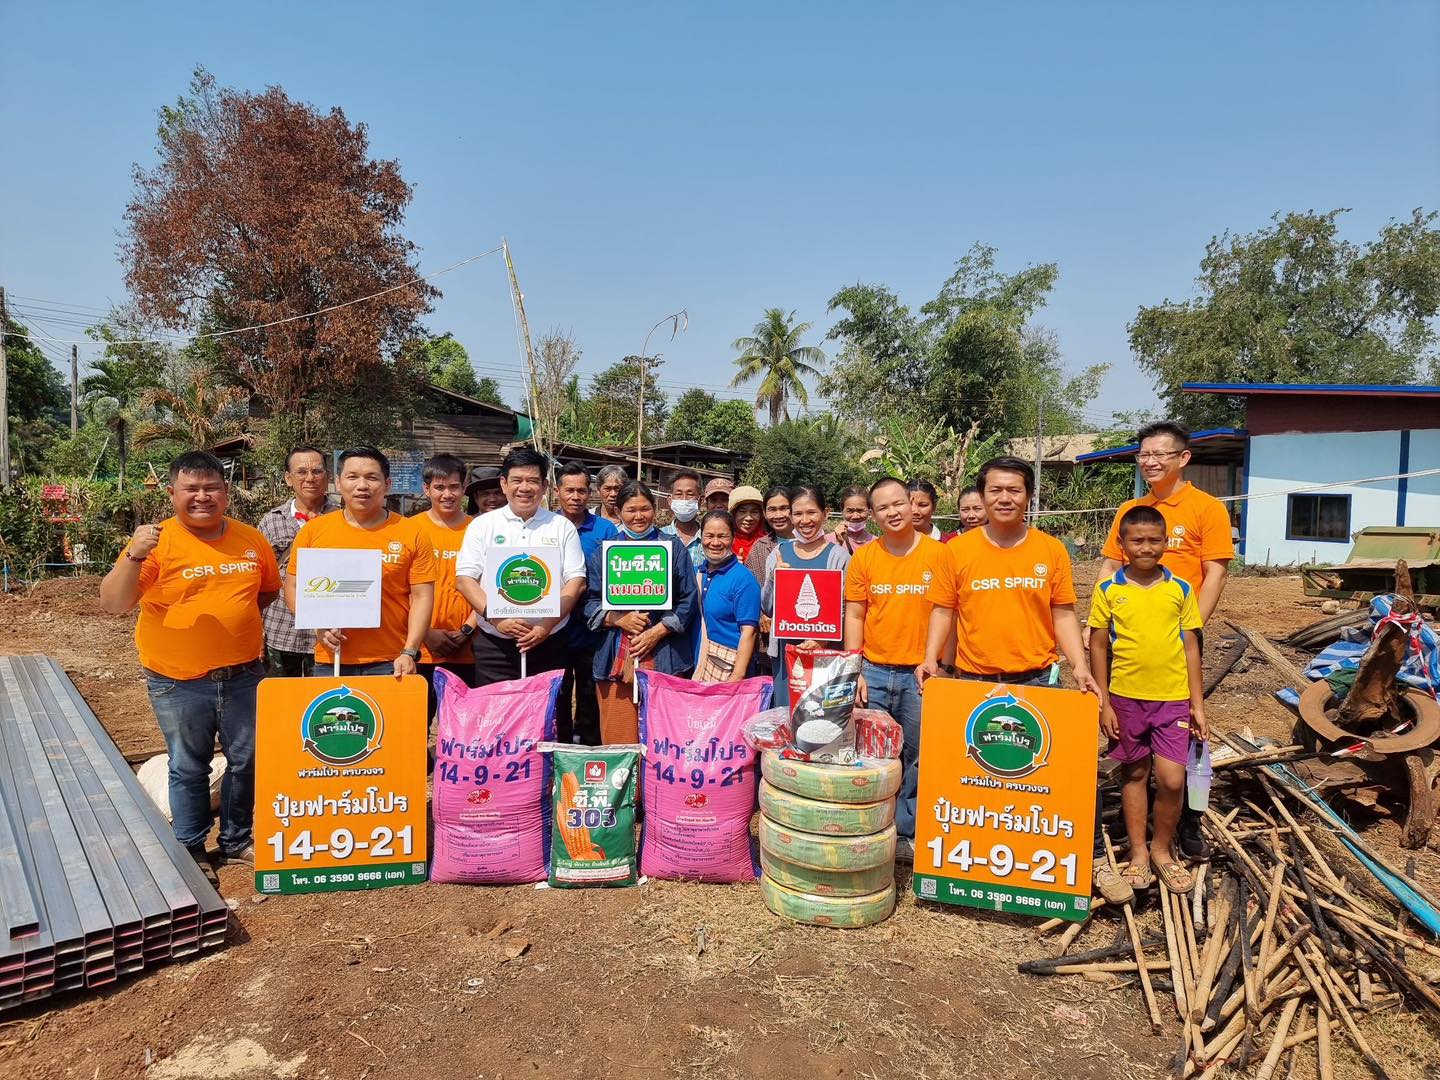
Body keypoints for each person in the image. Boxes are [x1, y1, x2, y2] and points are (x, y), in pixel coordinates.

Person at [919, 457, 1119, 900]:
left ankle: (1091, 861)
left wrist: (1080, 667)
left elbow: (1062, 613)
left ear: (1029, 496)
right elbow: (943, 611)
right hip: (974, 683)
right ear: (982, 496)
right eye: (995, 490)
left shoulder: (1050, 550)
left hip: (1038, 682)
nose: (1004, 498)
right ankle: (983, 865)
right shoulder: (957, 551)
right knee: (977, 777)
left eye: (1014, 490)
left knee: (1059, 775)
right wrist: (932, 659)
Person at [100, 450, 281, 875]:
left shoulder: (250, 539)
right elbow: (113, 603)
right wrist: (133, 555)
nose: (202, 496)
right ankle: (192, 847)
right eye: (191, 488)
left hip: (244, 675)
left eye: (211, 487)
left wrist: (232, 624)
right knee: (188, 766)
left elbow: (267, 591)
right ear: (172, 492)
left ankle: (236, 841)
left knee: (246, 761)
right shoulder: (154, 542)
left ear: (226, 492)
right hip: (177, 681)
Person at [1094, 421, 1234, 861]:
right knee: (1130, 738)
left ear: (1183, 458)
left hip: (1178, 636)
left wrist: (1189, 627)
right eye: (1144, 455)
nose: (1150, 462)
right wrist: (1094, 622)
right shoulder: (1130, 509)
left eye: (1160, 454)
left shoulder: (1206, 508)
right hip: (1128, 638)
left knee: (1187, 737)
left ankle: (1189, 820)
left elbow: (1216, 572)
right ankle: (1135, 827)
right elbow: (1108, 566)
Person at [1088, 505, 1207, 894]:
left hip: (1172, 699)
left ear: (1166, 543)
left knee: (1172, 779)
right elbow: (1098, 646)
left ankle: (1162, 850)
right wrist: (1104, 702)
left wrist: (1197, 705)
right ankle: (1139, 853)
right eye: (1137, 540)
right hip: (1125, 699)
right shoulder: (1109, 590)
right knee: (1135, 773)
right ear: (1121, 544)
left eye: (1154, 540)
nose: (1146, 548)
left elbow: (1191, 647)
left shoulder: (1180, 589)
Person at [844, 477, 956, 859]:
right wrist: (855, 668)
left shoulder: (939, 555)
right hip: (873, 671)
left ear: (911, 504)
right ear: (873, 515)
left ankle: (907, 833)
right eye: (882, 508)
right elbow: (855, 614)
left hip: (919, 674)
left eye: (898, 504)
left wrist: (939, 663)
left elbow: (946, 612)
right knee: (872, 754)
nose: (892, 512)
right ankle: (870, 826)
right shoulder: (864, 558)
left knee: (918, 755)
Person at [286, 446, 436, 678]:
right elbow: (293, 586)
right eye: (352, 477)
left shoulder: (412, 532)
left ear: (387, 484)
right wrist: (317, 626)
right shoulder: (313, 531)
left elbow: (422, 596)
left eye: (372, 477)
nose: (362, 485)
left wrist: (410, 650)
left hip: (392, 661)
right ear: (338, 482)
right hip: (331, 659)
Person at [455, 447, 588, 685]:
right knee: (496, 707)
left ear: (545, 486)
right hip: (495, 647)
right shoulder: (482, 526)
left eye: (533, 481)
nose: (524, 488)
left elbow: (576, 583)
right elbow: (465, 581)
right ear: (504, 484)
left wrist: (545, 626)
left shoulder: (561, 526)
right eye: (517, 480)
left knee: (549, 708)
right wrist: (497, 619)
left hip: (550, 643)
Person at [582, 480, 697, 742]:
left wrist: (656, 632)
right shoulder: (604, 552)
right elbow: (588, 603)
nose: (638, 516)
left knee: (664, 739)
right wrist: (617, 619)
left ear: (655, 509)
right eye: (631, 510)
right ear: (618, 511)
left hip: (666, 656)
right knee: (619, 738)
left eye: (645, 509)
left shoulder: (673, 548)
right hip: (615, 656)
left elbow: (688, 600)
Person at [762, 485, 850, 710]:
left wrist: (823, 640)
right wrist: (774, 578)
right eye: (798, 514)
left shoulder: (839, 557)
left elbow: (846, 609)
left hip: (824, 655)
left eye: (811, 512)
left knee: (820, 716)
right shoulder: (778, 554)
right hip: (786, 653)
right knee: (786, 715)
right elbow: (768, 608)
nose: (805, 520)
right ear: (791, 516)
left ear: (825, 514)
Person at [258, 445, 336, 677]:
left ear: (327, 477)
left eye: (317, 471)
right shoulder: (272, 521)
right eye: (301, 472)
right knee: (281, 696)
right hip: (280, 629)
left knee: (323, 698)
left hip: (328, 633)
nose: (310, 478)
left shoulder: (343, 520)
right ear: (288, 478)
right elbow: (257, 580)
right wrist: (257, 629)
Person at [555, 461, 618, 743]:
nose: (575, 497)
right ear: (557, 491)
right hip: (553, 627)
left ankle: (589, 749)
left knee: (590, 693)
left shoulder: (605, 529)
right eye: (569, 490)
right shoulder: (548, 526)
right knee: (558, 691)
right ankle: (560, 746)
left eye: (581, 491)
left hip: (593, 628)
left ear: (590, 493)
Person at [411, 455, 480, 710]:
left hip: (469, 647)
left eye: (454, 487)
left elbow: (489, 585)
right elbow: (398, 590)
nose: (447, 494)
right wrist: (425, 632)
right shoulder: (410, 529)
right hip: (420, 648)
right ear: (426, 488)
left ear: (464, 488)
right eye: (439, 487)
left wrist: (467, 630)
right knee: (417, 722)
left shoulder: (478, 530)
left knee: (465, 723)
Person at [693, 510, 762, 682]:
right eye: (709, 536)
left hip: (728, 670)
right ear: (701, 537)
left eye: (722, 536)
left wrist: (737, 676)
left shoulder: (743, 579)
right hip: (698, 665)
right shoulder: (696, 573)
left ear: (732, 538)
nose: (715, 543)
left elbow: (749, 631)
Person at [744, 485, 793, 579]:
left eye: (784, 508)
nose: (778, 515)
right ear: (764, 513)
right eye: (772, 509)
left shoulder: (809, 543)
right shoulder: (760, 547)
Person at [659, 468, 704, 565]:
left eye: (690, 494)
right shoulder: (659, 537)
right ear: (670, 500)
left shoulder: (709, 539)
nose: (684, 499)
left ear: (700, 500)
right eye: (679, 494)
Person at [829, 485, 874, 553]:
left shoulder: (877, 543)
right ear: (842, 511)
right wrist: (839, 544)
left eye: (860, 510)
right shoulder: (827, 541)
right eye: (850, 511)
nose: (855, 516)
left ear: (869, 511)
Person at [729, 486, 766, 563]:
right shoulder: (723, 541)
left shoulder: (768, 541)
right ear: (733, 514)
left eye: (754, 512)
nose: (748, 518)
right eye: (742, 512)